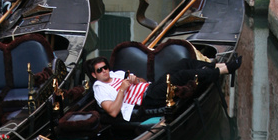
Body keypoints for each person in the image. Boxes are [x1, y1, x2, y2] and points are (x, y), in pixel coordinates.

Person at [87, 52, 242, 123]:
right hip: (147, 99)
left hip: (150, 88)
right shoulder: (99, 89)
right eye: (99, 70)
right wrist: (122, 89)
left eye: (105, 67)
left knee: (184, 63)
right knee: (179, 76)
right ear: (94, 75)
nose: (104, 71)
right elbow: (113, 112)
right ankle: (224, 70)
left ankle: (218, 65)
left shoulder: (117, 74)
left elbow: (143, 81)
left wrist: (135, 80)